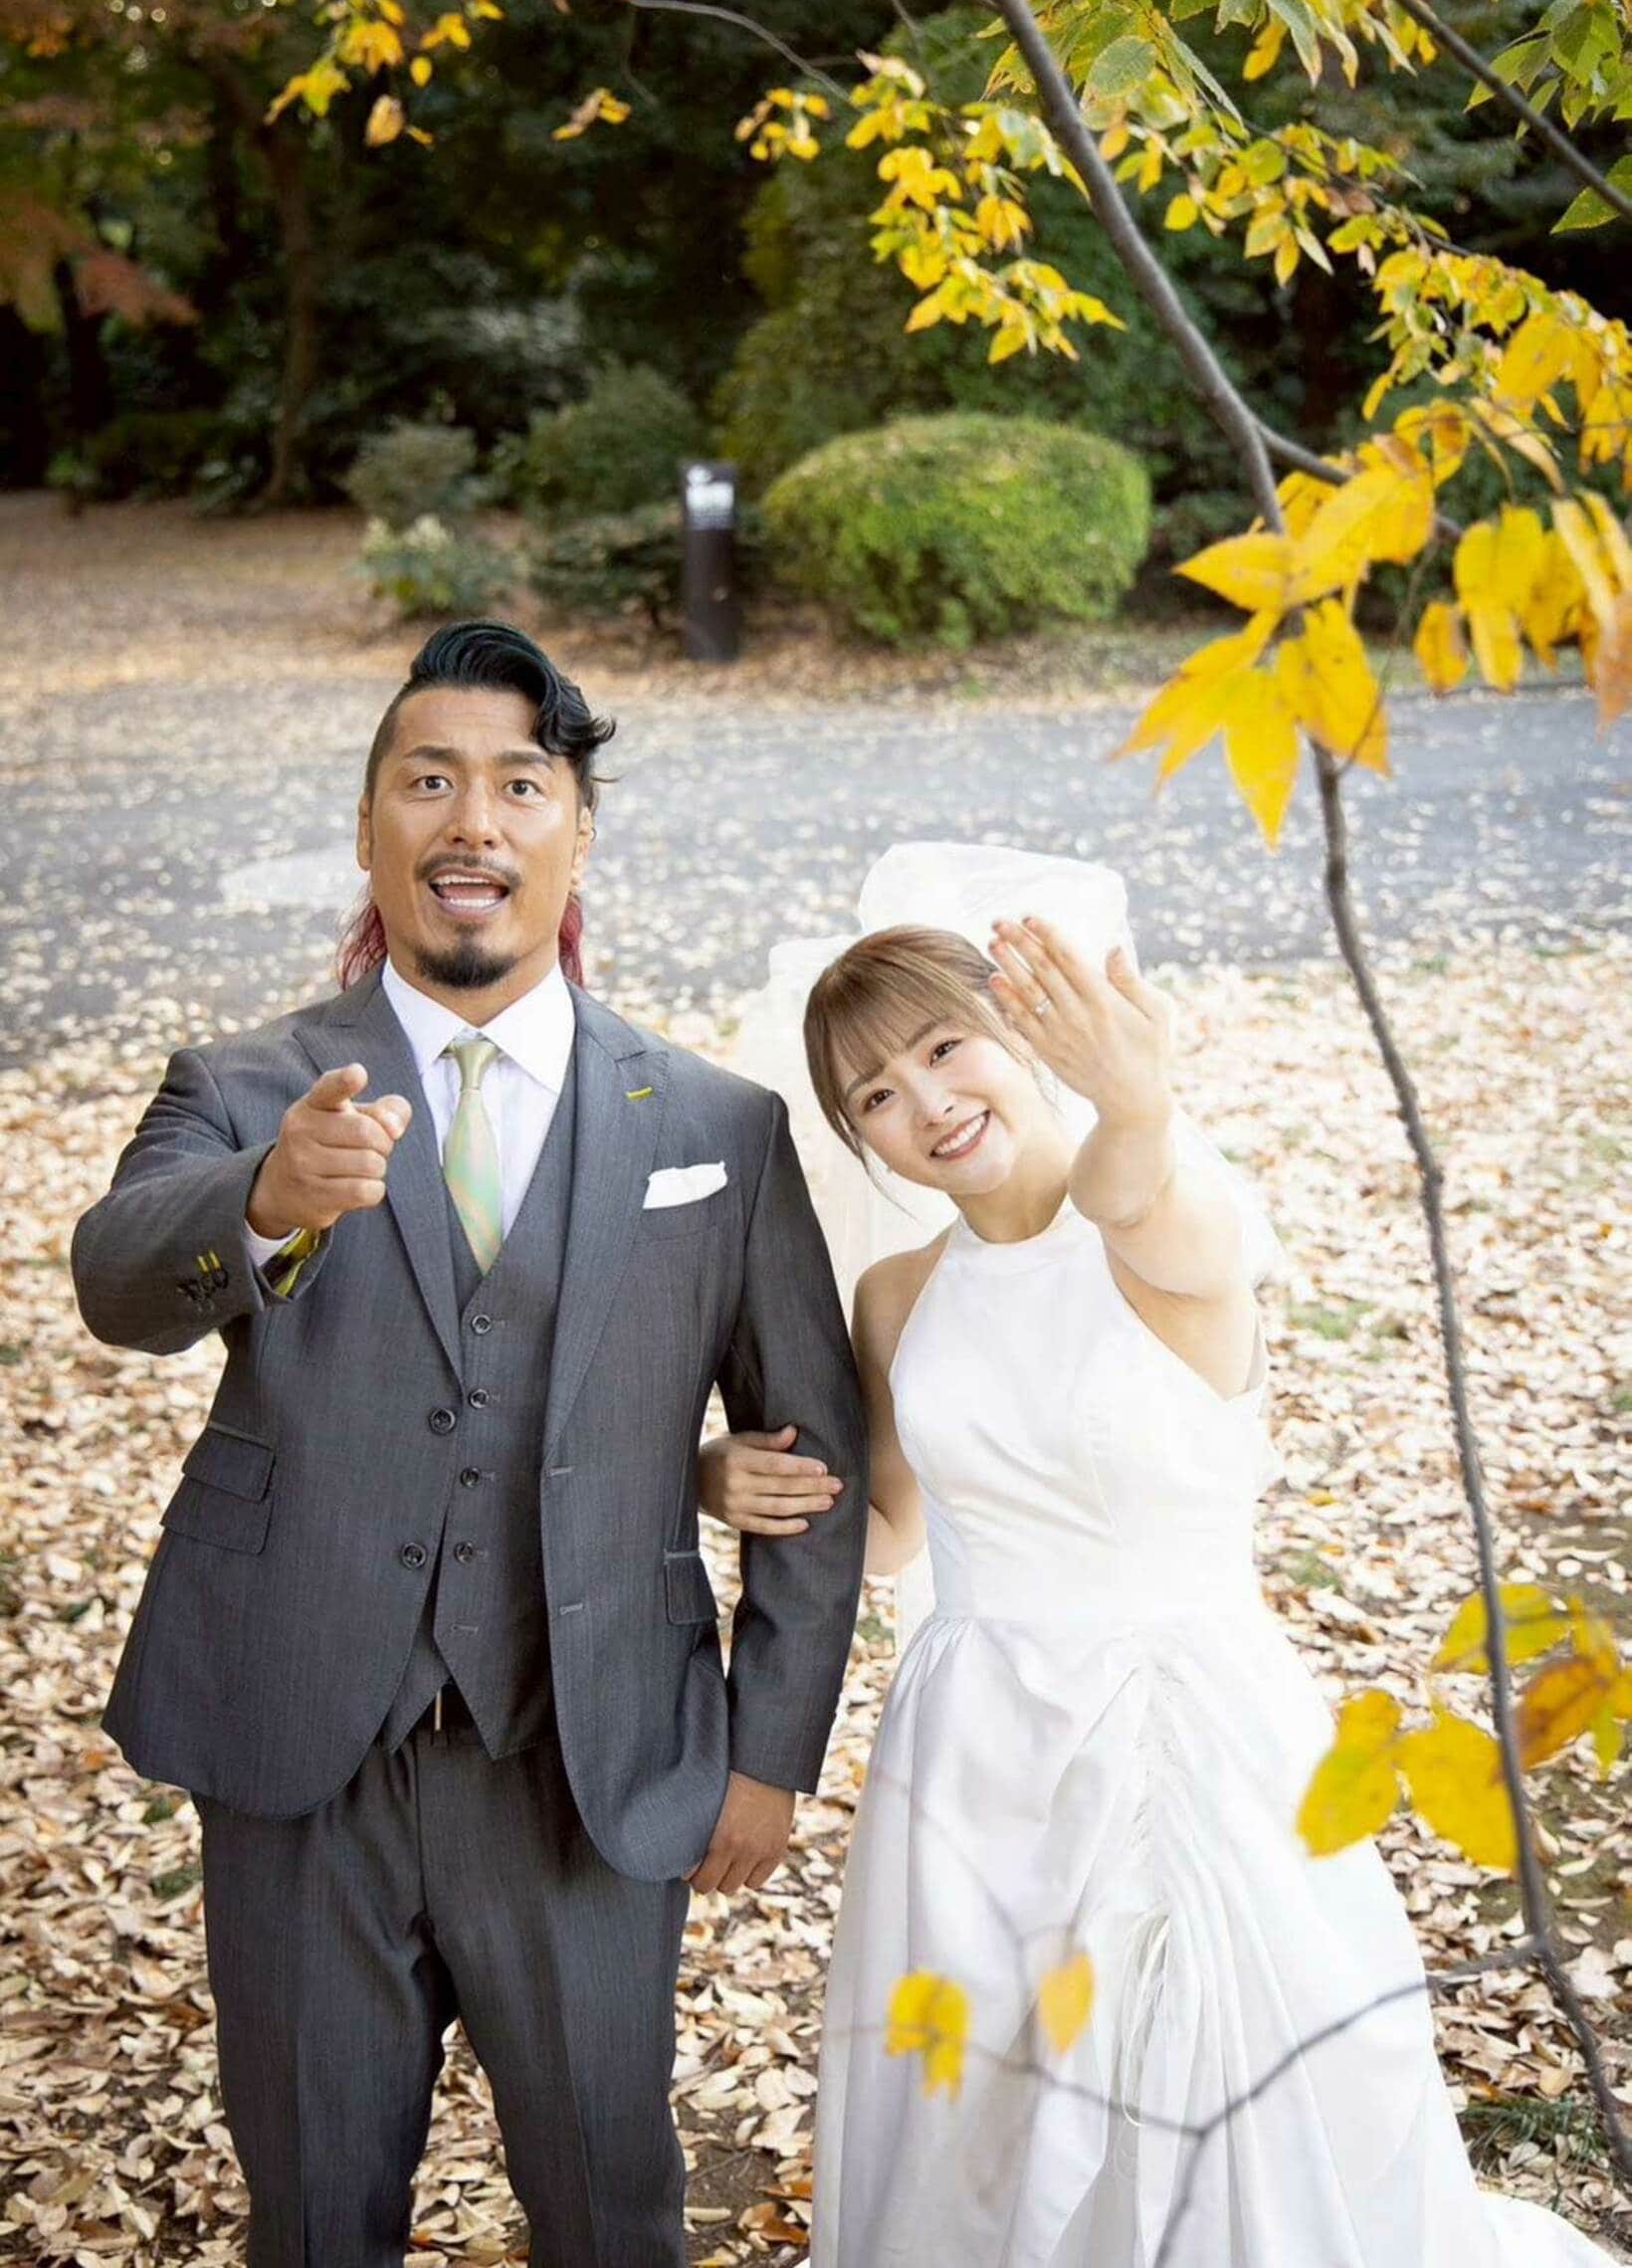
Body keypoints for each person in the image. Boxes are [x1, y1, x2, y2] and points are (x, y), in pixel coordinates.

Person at [72, 620, 869, 2268]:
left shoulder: (716, 1128)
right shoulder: (245, 1086)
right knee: (313, 2217)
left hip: (588, 1761)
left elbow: (808, 1458)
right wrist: (263, 1199)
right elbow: (119, 1284)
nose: (473, 822)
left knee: (612, 2212)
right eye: (428, 782)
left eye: (520, 784)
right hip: (298, 1747)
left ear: (576, 836)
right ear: (371, 829)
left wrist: (771, 1748)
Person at [702, 849, 1616, 2267]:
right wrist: (720, 1480)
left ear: (1023, 1032)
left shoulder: (1167, 1221)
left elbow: (1136, 1197)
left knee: (1211, 2066)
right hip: (974, 1747)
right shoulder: (894, 1296)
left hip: (1184, 1723)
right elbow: (887, 1535)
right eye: (874, 1095)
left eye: (945, 1049)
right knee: (987, 2118)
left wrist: (1134, 1100)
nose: (925, 1105)